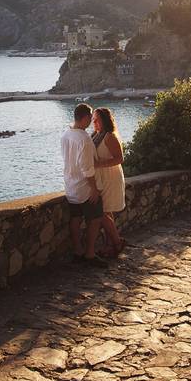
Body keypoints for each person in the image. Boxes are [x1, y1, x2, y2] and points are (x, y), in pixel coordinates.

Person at [61, 103, 107, 267]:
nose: (91, 122)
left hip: (71, 186)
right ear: (86, 117)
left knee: (75, 219)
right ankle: (89, 253)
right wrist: (94, 189)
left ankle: (77, 251)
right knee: (95, 219)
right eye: (90, 118)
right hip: (85, 188)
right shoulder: (84, 139)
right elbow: (87, 169)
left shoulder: (66, 134)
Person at [91, 107, 126, 256]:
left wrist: (98, 164)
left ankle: (117, 243)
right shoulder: (95, 135)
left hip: (111, 178)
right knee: (107, 212)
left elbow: (120, 158)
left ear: (104, 120)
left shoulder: (109, 137)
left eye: (97, 119)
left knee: (102, 212)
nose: (94, 121)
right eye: (93, 118)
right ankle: (110, 245)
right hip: (101, 178)